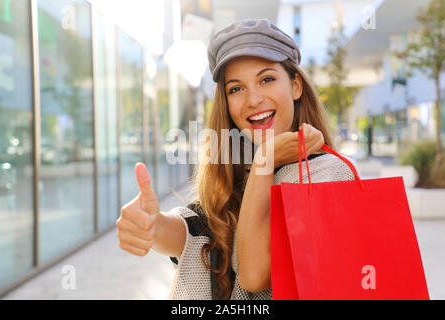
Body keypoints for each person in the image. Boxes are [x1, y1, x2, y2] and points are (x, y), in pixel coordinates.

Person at [116, 19, 359, 300]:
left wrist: (264, 162)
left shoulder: (328, 174)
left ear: (295, 86)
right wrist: (153, 225)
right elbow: (200, 233)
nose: (253, 100)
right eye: (236, 88)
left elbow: (254, 275)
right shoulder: (243, 173)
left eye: (266, 79)